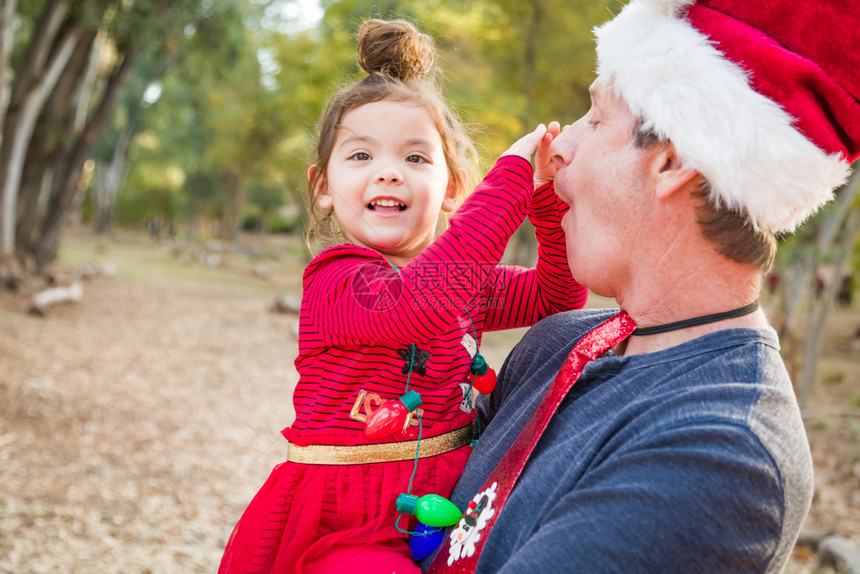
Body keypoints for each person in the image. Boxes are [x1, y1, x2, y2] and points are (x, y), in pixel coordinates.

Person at [421, 0, 860, 572]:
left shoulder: (723, 455)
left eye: (597, 118)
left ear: (672, 163)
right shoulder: (555, 343)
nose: (558, 148)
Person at [218, 18, 588, 574]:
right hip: (347, 524)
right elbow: (414, 307)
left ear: (454, 190)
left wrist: (541, 201)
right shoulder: (336, 279)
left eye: (415, 158)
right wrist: (508, 183)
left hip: (450, 507)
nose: (388, 173)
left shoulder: (464, 284)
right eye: (362, 156)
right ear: (323, 187)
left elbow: (556, 295)